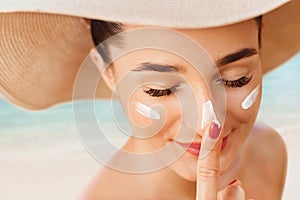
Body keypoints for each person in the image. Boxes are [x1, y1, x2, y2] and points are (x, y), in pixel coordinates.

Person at [0, 1, 299, 199]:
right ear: (108, 73)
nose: (208, 121)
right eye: (161, 88)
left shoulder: (267, 152)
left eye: (236, 79)